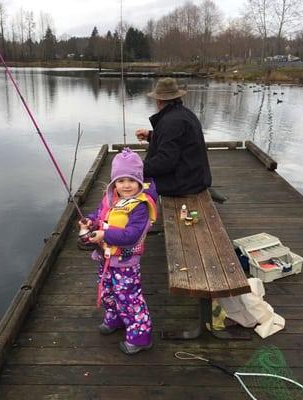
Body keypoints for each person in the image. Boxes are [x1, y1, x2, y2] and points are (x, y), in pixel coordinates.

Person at [79, 148, 158, 355]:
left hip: (126, 262)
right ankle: (115, 318)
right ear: (114, 182)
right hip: (105, 259)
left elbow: (131, 235)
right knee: (107, 292)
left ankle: (140, 337)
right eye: (121, 180)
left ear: (139, 181)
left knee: (130, 299)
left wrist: (104, 235)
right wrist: (90, 221)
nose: (126, 185)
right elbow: (99, 215)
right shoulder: (110, 199)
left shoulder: (140, 206)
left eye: (131, 180)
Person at [135, 77, 212, 196]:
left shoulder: (172, 122)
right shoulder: (184, 114)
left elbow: (165, 162)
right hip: (193, 177)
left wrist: (135, 167)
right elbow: (177, 141)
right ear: (177, 98)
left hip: (184, 183)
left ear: (159, 101)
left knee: (128, 184)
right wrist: (150, 135)